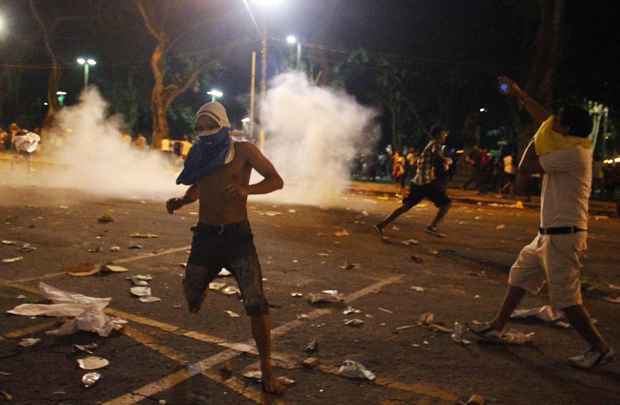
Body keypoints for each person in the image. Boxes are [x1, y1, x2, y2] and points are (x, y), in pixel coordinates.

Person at [471, 76, 614, 369]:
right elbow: (546, 118)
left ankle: (599, 347)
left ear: (569, 128)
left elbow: (524, 168)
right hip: (548, 235)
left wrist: (538, 134)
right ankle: (497, 326)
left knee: (566, 300)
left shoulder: (573, 154)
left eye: (558, 122)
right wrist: (521, 94)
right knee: (520, 275)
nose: (553, 123)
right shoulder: (571, 142)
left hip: (563, 237)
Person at [165, 102, 287, 394]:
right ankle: (201, 287)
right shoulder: (199, 154)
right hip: (205, 236)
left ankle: (267, 369)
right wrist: (182, 201)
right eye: (200, 126)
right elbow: (199, 187)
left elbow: (276, 180)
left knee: (256, 303)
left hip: (237, 238)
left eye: (210, 125)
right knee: (191, 292)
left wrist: (248, 190)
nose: (205, 131)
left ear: (223, 124)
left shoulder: (243, 150)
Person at [375, 125, 453, 238]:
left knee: (406, 207)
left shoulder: (432, 144)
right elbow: (437, 154)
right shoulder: (435, 144)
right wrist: (446, 160)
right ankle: (432, 227)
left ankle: (382, 224)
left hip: (418, 182)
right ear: (438, 135)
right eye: (443, 134)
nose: (445, 136)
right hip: (425, 183)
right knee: (446, 204)